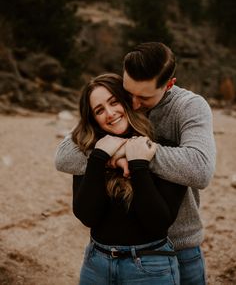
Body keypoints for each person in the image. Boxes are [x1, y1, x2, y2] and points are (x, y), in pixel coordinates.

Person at [55, 42, 216, 285]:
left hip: (179, 245)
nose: (134, 103)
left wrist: (140, 154)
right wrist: (112, 153)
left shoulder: (188, 107)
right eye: (128, 93)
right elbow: (64, 155)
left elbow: (200, 169)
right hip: (106, 252)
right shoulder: (117, 100)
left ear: (168, 84)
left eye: (144, 97)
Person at [71, 73, 187, 284]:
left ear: (127, 101)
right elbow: (87, 216)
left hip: (150, 266)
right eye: (99, 110)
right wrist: (100, 158)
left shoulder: (166, 148)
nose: (109, 113)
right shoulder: (93, 152)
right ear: (93, 119)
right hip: (96, 264)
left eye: (114, 102)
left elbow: (158, 223)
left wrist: (139, 165)